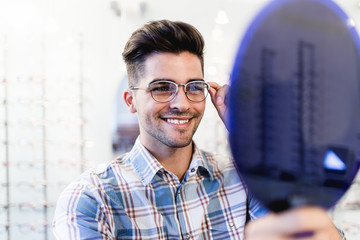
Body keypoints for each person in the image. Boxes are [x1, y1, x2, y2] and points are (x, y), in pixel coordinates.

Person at [52, 20, 344, 240]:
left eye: (194, 87)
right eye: (162, 88)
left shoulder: (243, 179)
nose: (181, 103)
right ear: (131, 101)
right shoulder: (92, 198)